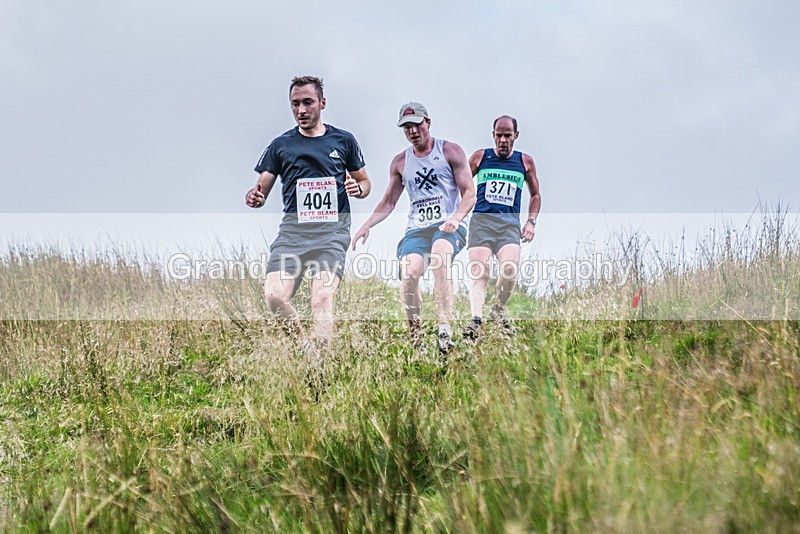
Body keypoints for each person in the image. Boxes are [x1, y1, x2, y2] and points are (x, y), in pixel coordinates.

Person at [245, 76, 371, 353]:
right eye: (295, 104)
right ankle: (305, 347)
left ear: (322, 103)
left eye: (307, 103)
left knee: (322, 298)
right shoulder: (281, 145)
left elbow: (365, 183)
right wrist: (255, 197)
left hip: (331, 234)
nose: (301, 110)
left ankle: (320, 365)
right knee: (274, 296)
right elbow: (261, 189)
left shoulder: (344, 141)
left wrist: (357, 188)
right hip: (292, 236)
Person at [352, 102, 475, 357]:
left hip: (447, 225)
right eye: (406, 127)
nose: (413, 131)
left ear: (428, 122)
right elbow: (388, 202)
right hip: (416, 230)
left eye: (417, 124)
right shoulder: (400, 162)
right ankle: (416, 338)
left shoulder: (450, 151)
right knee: (409, 275)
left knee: (440, 258)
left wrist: (456, 218)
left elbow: (469, 194)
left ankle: (444, 333)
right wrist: (367, 225)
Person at [462, 115, 540, 341]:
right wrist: (461, 209)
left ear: (516, 135)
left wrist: (531, 222)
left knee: (509, 270)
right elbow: (462, 183)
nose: (503, 140)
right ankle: (476, 320)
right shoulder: (480, 157)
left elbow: (535, 195)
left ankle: (497, 310)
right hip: (481, 223)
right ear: (493, 135)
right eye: (499, 135)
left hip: (508, 226)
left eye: (507, 135)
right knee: (480, 271)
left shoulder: (525, 162)